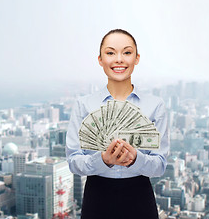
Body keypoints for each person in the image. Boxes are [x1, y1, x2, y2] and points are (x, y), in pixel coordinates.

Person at [65, 29, 169, 219]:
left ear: (136, 58)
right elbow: (73, 161)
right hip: (97, 196)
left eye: (127, 52)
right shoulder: (84, 104)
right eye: (111, 52)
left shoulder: (155, 105)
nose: (119, 59)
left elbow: (160, 165)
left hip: (139, 196)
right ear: (100, 59)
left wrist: (136, 158)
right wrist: (103, 160)